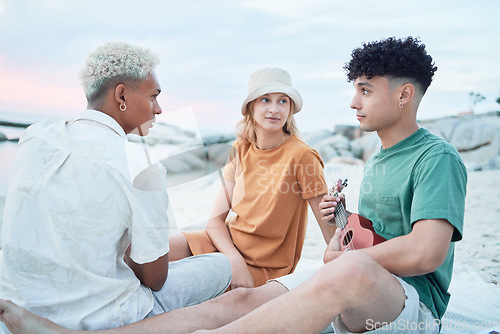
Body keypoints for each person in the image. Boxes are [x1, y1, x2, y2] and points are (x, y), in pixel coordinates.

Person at [0, 36, 467, 334]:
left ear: (404, 95)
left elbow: (424, 253)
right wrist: (342, 228)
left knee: (339, 272)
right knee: (243, 299)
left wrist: (339, 254)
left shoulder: (433, 157)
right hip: (360, 283)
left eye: (365, 90)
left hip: (407, 304)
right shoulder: (379, 157)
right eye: (265, 99)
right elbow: (356, 242)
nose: (352, 102)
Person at [0, 42, 231, 332]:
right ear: (121, 94)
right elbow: (154, 279)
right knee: (221, 266)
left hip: (20, 302)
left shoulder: (37, 137)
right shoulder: (140, 165)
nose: (159, 109)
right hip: (102, 317)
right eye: (153, 96)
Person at [168, 67, 332, 289]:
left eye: (282, 101)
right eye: (265, 99)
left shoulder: (302, 156)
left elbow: (328, 226)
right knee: (149, 253)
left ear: (290, 108)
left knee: (178, 284)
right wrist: (234, 261)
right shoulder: (241, 148)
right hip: (226, 246)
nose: (274, 109)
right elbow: (215, 221)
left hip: (263, 266)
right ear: (251, 106)